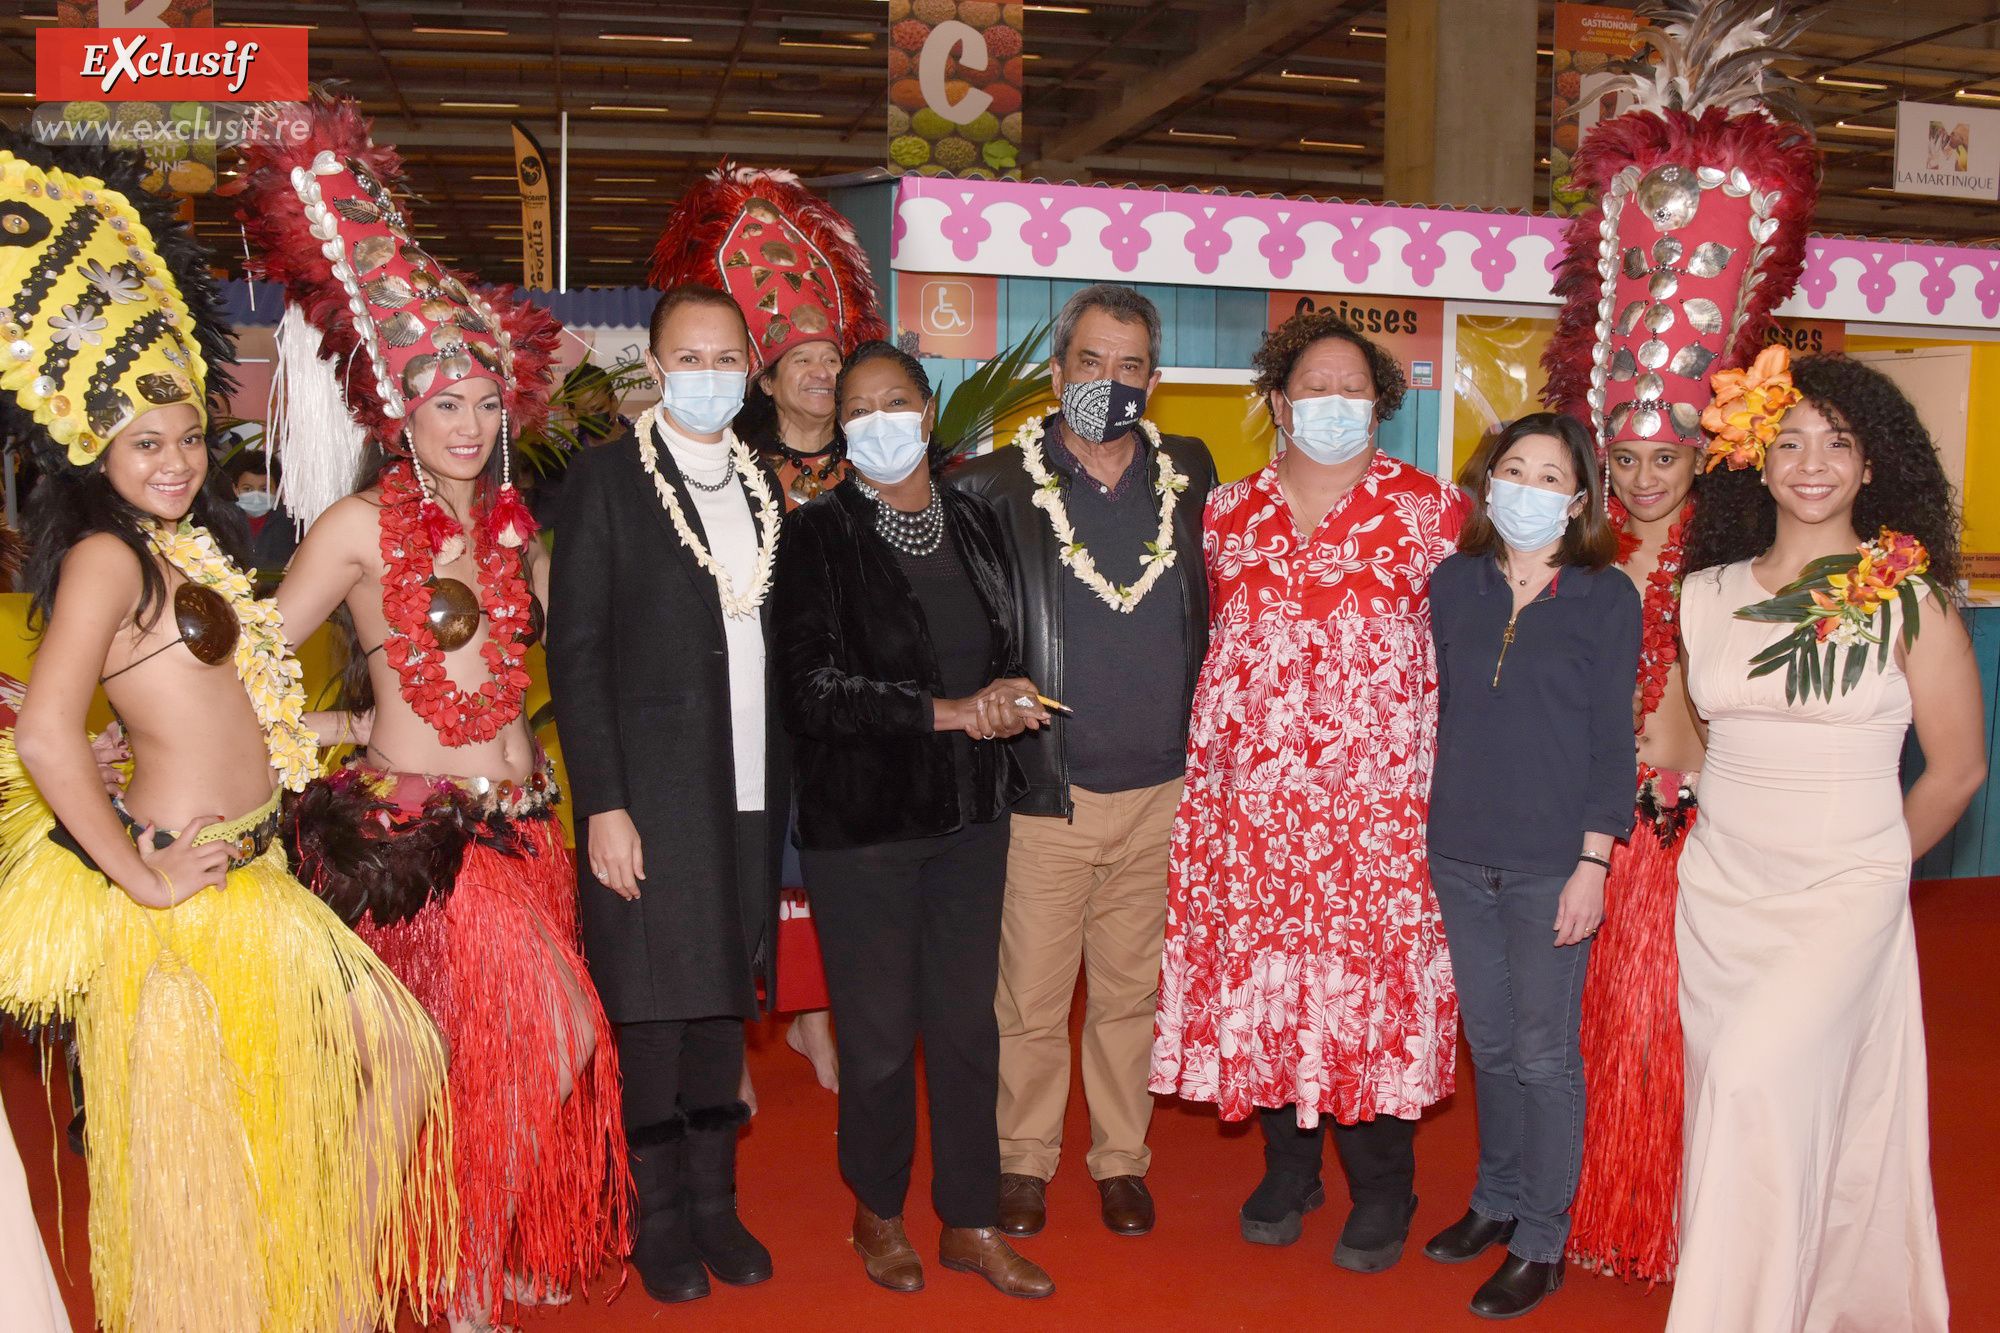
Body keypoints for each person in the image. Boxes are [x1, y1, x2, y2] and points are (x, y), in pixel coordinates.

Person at [0, 132, 450, 1333]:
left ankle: (325, 1297)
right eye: (147, 442)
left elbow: (230, 699)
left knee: (386, 1068)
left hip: (260, 877)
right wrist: (139, 877)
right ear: (93, 449)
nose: (175, 459)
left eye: (191, 436)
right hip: (191, 905)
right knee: (207, 1170)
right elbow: (48, 734)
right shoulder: (103, 554)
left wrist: (353, 717)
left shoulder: (182, 550)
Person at [235, 98, 629, 1332]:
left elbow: (592, 653)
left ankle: (445, 1270)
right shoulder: (360, 530)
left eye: (480, 404)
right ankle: (365, 1287)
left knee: (492, 1066)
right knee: (471, 1061)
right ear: (396, 415)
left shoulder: (515, 534)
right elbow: (261, 653)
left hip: (526, 830)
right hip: (427, 844)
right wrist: (324, 746)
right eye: (440, 405)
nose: (465, 426)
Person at [1533, 3, 1825, 1285]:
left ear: (1703, 453)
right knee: (1599, 1030)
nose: (1646, 476)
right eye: (1628, 456)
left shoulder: (1734, 560)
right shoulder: (1575, 560)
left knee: (1683, 1028)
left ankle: (1686, 1220)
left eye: (1667, 454)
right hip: (1597, 830)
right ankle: (1608, 1211)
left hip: (1702, 832)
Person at [1669, 351, 1980, 1333]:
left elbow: (1956, 769)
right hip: (1718, 895)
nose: (1811, 463)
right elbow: (1705, 741)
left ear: (1871, 463)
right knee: (1738, 1112)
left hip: (1842, 895)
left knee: (1756, 1085)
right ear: (1753, 458)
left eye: (1836, 444)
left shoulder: (1908, 597)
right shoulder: (1704, 593)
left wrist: (1877, 869)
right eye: (1788, 440)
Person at [1152, 309, 1466, 1272]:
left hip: (1376, 813)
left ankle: (1384, 1183)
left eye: (1353, 387)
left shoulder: (1436, 513)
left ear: (1382, 402)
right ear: (1280, 402)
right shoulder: (1225, 513)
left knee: (1366, 983)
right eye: (1313, 386)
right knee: (1272, 977)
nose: (1333, 402)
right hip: (1252, 809)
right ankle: (1290, 1167)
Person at [773, 341, 1054, 1298]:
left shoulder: (974, 520)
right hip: (867, 829)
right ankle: (878, 1208)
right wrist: (952, 712)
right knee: (882, 1034)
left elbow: (998, 647)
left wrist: (1006, 696)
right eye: (860, 407)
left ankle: (970, 1218)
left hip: (973, 818)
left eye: (897, 400)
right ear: (841, 429)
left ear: (929, 413)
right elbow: (811, 691)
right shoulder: (817, 534)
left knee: (969, 1028)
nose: (881, 419)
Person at [952, 283, 1216, 1239]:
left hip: (1163, 790)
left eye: (1131, 366)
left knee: (1129, 992)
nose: (1110, 382)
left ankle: (1120, 1159)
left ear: (1157, 379)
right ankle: (1022, 1159)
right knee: (1027, 993)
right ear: (1058, 372)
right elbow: (963, 631)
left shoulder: (1188, 469)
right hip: (1046, 792)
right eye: (1091, 363)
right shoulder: (991, 486)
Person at [548, 283, 785, 1304]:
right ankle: (654, 1222)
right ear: (653, 366)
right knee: (649, 1007)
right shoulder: (605, 481)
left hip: (745, 787)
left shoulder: (762, 483)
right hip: (647, 790)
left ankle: (716, 1206)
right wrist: (602, 799)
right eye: (687, 359)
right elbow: (578, 648)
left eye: (724, 357)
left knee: (719, 1004)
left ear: (749, 367)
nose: (706, 376)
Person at [650, 163, 890, 1093]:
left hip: (843, 706)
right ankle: (735, 1022)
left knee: (830, 867)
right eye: (805, 362)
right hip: (744, 701)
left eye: (835, 361)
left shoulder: (876, 463)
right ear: (769, 376)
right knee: (735, 861)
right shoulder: (729, 464)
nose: (824, 375)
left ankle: (818, 1018)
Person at [1423, 414, 1639, 1318]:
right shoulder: (1451, 583)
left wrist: (1595, 860)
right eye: (1515, 469)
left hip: (1555, 863)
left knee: (1546, 1055)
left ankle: (1544, 1237)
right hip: (1459, 853)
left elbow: (1609, 743)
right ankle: (1497, 1200)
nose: (1529, 488)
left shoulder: (1605, 593)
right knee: (1493, 1044)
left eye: (1552, 477)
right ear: (1486, 483)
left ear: (1581, 499)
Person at [224, 448, 298, 576]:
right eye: (248, 489)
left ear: (278, 489)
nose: (256, 496)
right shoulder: (222, 520)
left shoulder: (291, 523)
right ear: (235, 489)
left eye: (264, 489)